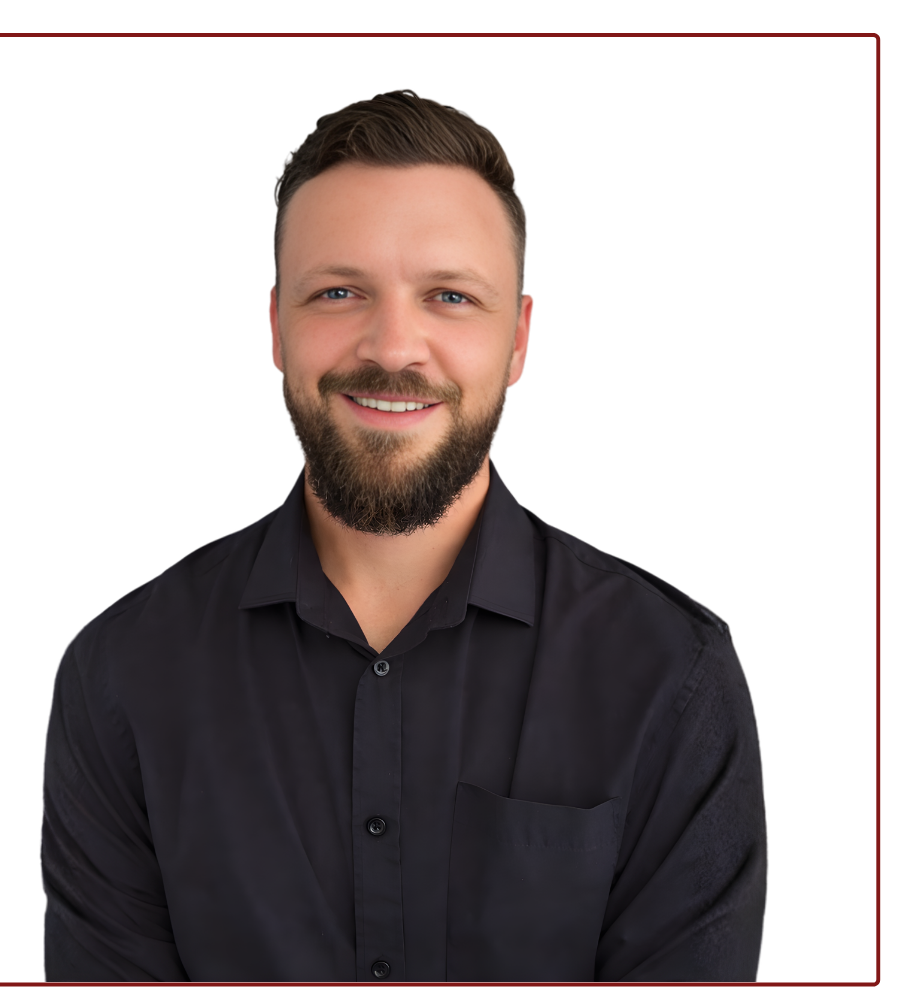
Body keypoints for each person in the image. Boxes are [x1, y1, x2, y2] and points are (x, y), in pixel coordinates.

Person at [41, 90, 766, 983]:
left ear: (518, 341)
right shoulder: (121, 678)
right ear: (277, 326)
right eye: (339, 292)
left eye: (451, 296)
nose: (393, 346)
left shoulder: (671, 675)